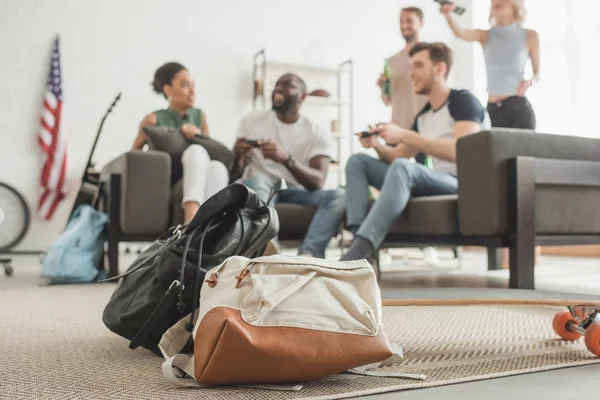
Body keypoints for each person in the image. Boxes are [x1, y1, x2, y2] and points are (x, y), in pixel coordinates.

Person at [342, 42, 489, 263]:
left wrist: (403, 134)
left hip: (464, 182)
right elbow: (397, 156)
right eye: (410, 67)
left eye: (418, 66)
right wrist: (376, 145)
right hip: (436, 181)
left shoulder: (463, 101)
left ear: (439, 69)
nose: (411, 73)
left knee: (404, 168)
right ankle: (358, 242)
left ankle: (360, 250)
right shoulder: (424, 116)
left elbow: (461, 151)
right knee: (358, 161)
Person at [233, 73, 345, 259]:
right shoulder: (251, 121)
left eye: (286, 85)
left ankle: (309, 253)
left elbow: (318, 182)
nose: (278, 88)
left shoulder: (316, 133)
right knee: (260, 179)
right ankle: (268, 245)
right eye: (276, 84)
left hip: (295, 190)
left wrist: (285, 158)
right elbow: (234, 172)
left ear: (302, 96)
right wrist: (238, 155)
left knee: (339, 196)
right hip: (260, 186)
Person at [377, 6, 440, 266]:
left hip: (423, 131)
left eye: (410, 21)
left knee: (426, 187)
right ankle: (388, 244)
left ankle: (430, 245)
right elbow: (388, 98)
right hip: (396, 127)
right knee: (389, 184)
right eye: (402, 21)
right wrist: (383, 87)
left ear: (420, 23)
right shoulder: (390, 61)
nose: (405, 25)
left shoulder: (429, 56)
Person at [132, 62, 229, 224]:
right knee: (195, 151)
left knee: (217, 168)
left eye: (193, 85)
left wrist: (197, 135)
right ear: (167, 89)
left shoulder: (200, 116)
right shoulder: (153, 119)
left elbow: (211, 151)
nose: (192, 91)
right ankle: (190, 218)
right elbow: (134, 156)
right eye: (185, 85)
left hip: (201, 176)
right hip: (174, 181)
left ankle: (213, 229)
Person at [441, 0, 540, 129]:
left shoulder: (530, 36)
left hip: (518, 107)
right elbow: (461, 33)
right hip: (493, 108)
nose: (495, 2)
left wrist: (529, 82)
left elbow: (537, 73)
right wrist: (448, 15)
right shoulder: (486, 35)